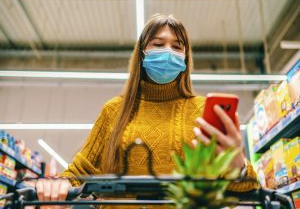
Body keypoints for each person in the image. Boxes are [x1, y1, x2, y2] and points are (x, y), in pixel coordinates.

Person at [36, 13, 259, 207]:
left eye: (177, 46)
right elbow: (79, 171)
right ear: (142, 53)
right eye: (158, 44)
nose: (168, 52)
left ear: (185, 57)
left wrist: (238, 165)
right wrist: (58, 184)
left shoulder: (202, 112)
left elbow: (247, 190)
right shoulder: (114, 111)